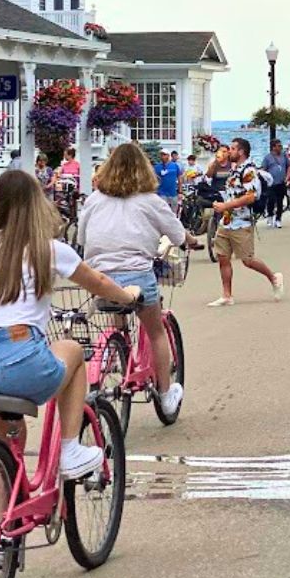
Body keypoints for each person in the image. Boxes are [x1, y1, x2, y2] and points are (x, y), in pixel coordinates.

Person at [0, 169, 141, 479]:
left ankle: (4, 524)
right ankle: (70, 450)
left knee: (8, 448)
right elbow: (96, 281)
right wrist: (127, 295)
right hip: (21, 360)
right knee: (72, 351)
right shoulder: (50, 250)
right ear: (37, 205)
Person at [79, 143, 187, 416]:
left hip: (99, 277)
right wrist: (191, 241)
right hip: (137, 276)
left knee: (117, 306)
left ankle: (117, 350)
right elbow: (178, 235)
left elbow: (81, 238)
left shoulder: (94, 200)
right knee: (156, 331)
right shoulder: (152, 201)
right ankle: (164, 395)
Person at [208, 138, 284, 307]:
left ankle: (274, 278)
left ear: (241, 151)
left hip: (241, 222)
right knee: (223, 257)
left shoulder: (249, 170)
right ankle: (227, 295)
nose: (229, 151)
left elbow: (251, 196)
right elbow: (229, 188)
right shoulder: (234, 168)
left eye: (233, 149)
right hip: (227, 221)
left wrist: (226, 205)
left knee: (248, 260)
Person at [261, 140, 289, 229]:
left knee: (280, 201)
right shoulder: (267, 158)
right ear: (273, 147)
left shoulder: (284, 156)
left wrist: (287, 176)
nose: (280, 148)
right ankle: (270, 216)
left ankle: (278, 219)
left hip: (281, 183)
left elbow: (289, 166)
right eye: (279, 146)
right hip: (271, 184)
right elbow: (263, 169)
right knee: (271, 201)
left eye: (281, 146)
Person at [154, 148, 181, 212]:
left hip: (173, 193)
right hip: (162, 193)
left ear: (168, 156)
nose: (162, 156)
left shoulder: (175, 166)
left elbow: (180, 178)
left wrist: (180, 192)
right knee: (163, 211)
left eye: (164, 154)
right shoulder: (157, 167)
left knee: (174, 212)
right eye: (161, 155)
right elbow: (154, 179)